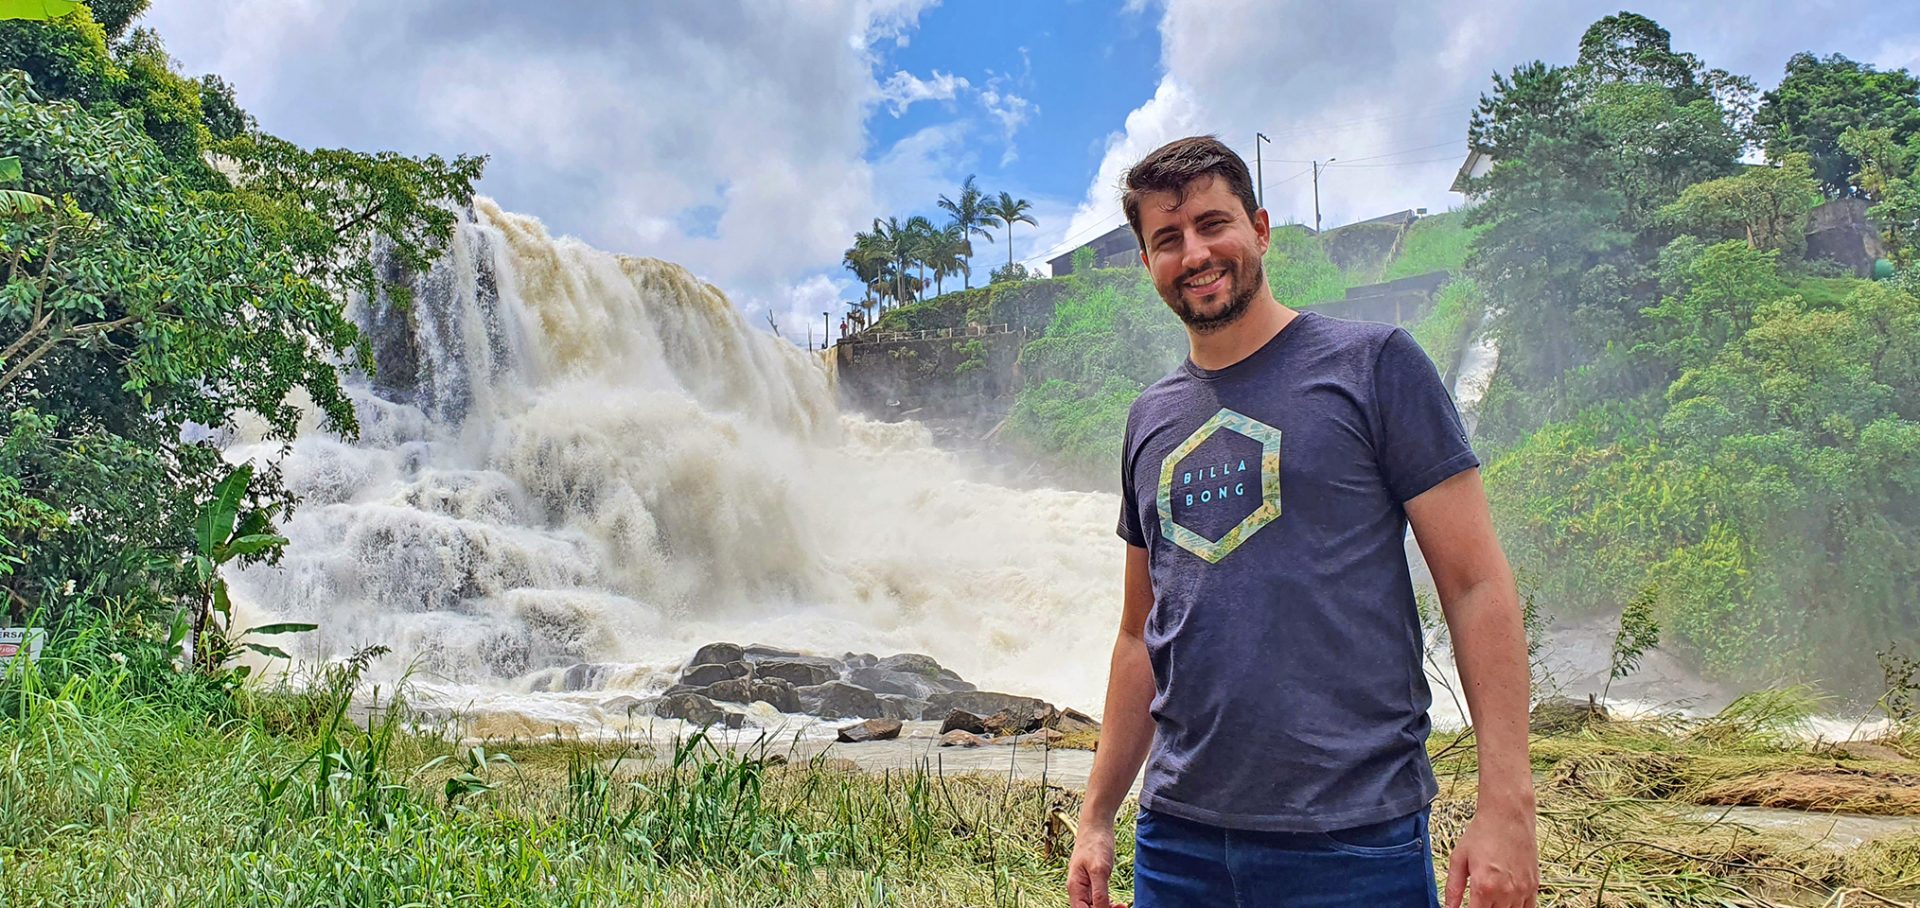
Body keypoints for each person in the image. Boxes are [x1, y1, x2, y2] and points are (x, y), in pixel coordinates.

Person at [1066, 136, 1539, 908]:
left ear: (1259, 228)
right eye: (1167, 239)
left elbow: (1476, 583)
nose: (1195, 253)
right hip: (1177, 843)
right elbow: (1137, 635)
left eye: (1213, 224)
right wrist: (1098, 816)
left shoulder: (1375, 366)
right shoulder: (1149, 418)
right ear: (1149, 263)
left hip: (1352, 842)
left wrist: (1507, 807)